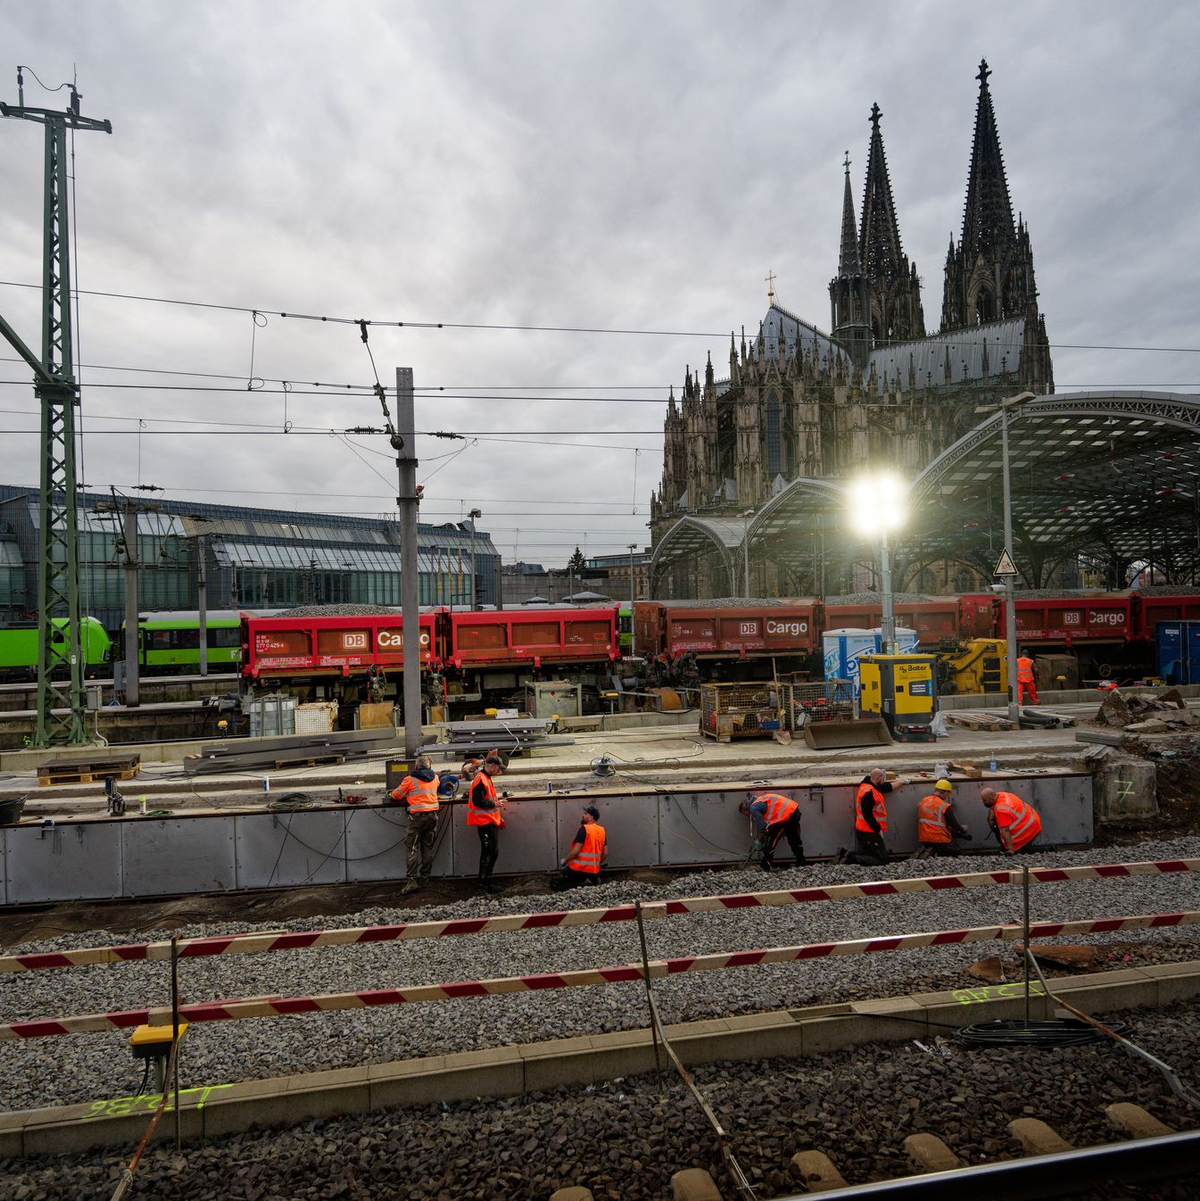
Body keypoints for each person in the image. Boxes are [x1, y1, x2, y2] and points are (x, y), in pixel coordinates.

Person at [387, 754, 442, 894]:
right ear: (429, 766)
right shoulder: (435, 778)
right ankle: (425, 879)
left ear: (416, 766)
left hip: (417, 819)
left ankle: (411, 881)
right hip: (432, 818)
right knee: (427, 849)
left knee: (412, 849)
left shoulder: (410, 779)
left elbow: (396, 795)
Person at [838, 767, 904, 865]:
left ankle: (846, 854)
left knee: (873, 852)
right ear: (878, 778)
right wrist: (878, 830)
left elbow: (887, 787)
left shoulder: (870, 785)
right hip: (868, 831)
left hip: (866, 830)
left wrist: (902, 782)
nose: (884, 780)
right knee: (881, 860)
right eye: (883, 778)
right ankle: (850, 858)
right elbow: (867, 815)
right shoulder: (869, 793)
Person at [466, 754, 506, 893]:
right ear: (493, 766)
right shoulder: (481, 780)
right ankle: (484, 883)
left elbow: (483, 801)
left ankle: (484, 881)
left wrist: (497, 817)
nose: (499, 772)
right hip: (484, 823)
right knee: (490, 852)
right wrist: (495, 804)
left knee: (490, 851)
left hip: (488, 821)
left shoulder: (484, 778)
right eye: (498, 769)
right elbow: (478, 802)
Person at [740, 791, 807, 872]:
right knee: (794, 839)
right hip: (794, 810)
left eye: (746, 814)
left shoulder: (753, 808)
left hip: (783, 817)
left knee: (770, 842)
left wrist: (760, 840)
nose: (748, 816)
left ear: (747, 809)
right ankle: (801, 862)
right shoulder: (760, 799)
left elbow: (762, 826)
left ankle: (765, 866)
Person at [551, 805, 607, 890]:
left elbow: (575, 852)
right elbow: (605, 853)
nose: (583, 815)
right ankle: (588, 883)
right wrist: (595, 864)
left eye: (585, 814)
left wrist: (565, 860)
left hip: (578, 870)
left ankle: (582, 885)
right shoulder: (601, 830)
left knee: (555, 883)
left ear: (591, 817)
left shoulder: (585, 829)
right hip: (594, 872)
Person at [914, 778, 972, 857]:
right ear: (944, 792)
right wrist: (961, 829)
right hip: (940, 840)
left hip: (923, 839)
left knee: (937, 851)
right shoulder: (944, 806)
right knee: (958, 854)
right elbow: (954, 824)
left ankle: (928, 851)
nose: (947, 796)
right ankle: (934, 851)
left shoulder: (923, 801)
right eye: (947, 794)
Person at [980, 786, 1042, 854]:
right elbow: (992, 806)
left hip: (1028, 829)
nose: (983, 802)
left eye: (985, 800)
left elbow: (1005, 830)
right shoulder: (1002, 794)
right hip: (1033, 821)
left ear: (991, 799)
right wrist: (991, 817)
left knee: (1019, 851)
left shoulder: (1002, 811)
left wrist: (1010, 849)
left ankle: (1019, 848)